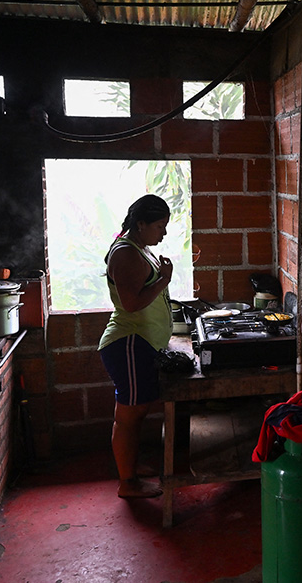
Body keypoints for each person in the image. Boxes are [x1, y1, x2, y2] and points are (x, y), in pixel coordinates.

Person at [98, 194, 174, 498]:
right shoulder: (126, 254)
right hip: (129, 344)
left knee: (137, 413)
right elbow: (131, 304)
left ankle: (130, 466)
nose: (164, 233)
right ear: (140, 224)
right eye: (159, 226)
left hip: (141, 344)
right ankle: (127, 483)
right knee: (128, 417)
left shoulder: (138, 247)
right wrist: (163, 280)